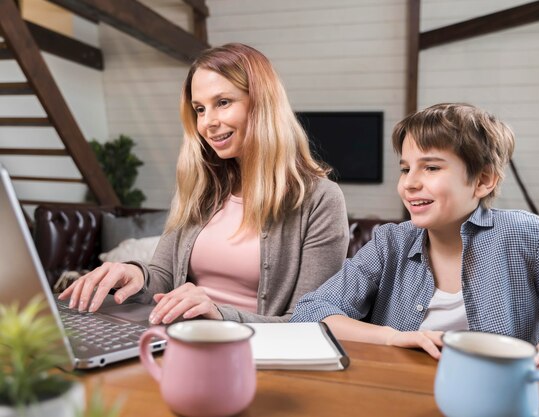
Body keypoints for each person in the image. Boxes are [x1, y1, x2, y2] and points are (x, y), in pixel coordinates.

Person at [291, 103, 539, 369]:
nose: (409, 183)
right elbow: (313, 310)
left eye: (432, 167)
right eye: (406, 167)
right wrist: (392, 338)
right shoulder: (389, 243)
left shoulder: (528, 237)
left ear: (483, 181)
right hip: (398, 391)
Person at [59, 43, 349, 323]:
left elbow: (308, 322)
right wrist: (135, 275)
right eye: (199, 109)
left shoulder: (319, 199)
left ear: (262, 104)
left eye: (222, 103)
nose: (207, 122)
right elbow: (163, 276)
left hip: (255, 356)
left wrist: (219, 314)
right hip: (180, 340)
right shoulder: (199, 187)